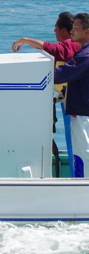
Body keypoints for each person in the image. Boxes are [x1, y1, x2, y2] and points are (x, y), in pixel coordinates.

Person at [14, 12, 82, 168]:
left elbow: (48, 47)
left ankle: (78, 178)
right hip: (73, 99)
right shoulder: (77, 44)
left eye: (56, 28)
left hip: (74, 102)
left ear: (64, 31)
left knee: (75, 142)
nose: (54, 31)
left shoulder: (70, 45)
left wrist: (24, 40)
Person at [54, 13, 89, 177]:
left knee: (83, 155)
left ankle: (84, 191)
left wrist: (32, 73)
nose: (72, 31)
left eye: (75, 28)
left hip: (84, 115)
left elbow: (61, 74)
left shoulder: (85, 56)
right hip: (82, 112)